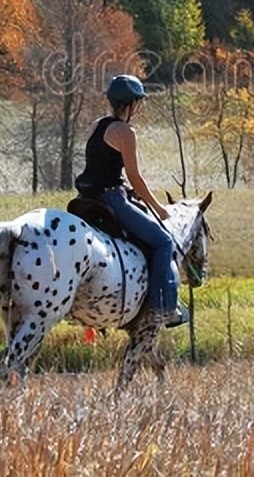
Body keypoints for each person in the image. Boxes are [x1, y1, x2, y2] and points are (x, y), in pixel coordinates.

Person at [74, 74, 187, 328]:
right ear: (132, 104)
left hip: (86, 197)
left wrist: (125, 187)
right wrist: (158, 208)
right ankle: (165, 308)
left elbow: (101, 165)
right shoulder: (125, 132)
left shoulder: (98, 125)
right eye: (138, 102)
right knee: (163, 242)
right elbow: (135, 177)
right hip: (111, 199)